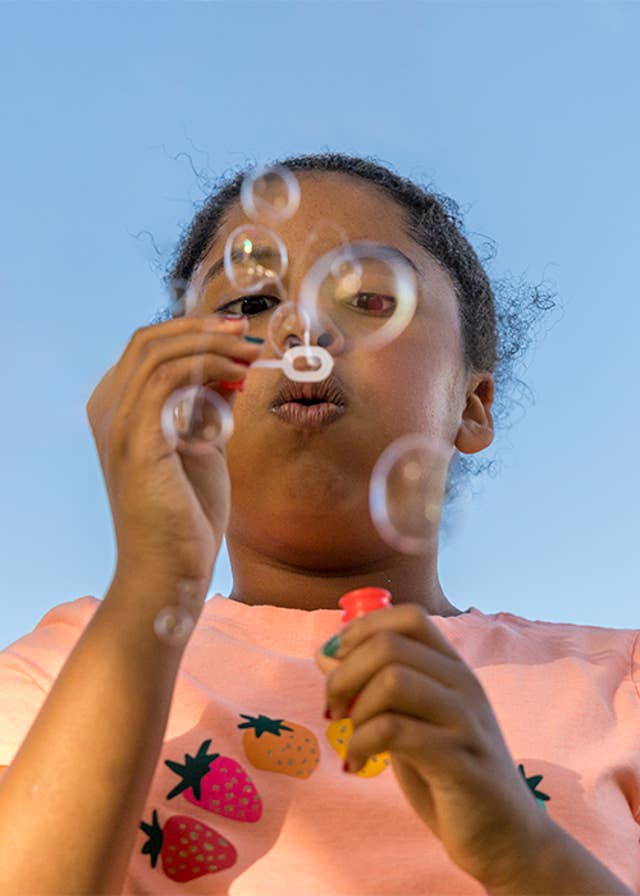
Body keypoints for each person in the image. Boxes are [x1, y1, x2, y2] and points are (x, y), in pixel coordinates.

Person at [0, 153, 636, 896]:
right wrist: (154, 585)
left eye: (367, 300)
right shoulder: (68, 667)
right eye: (249, 306)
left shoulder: (617, 685)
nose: (302, 331)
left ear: (473, 404)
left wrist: (520, 848)